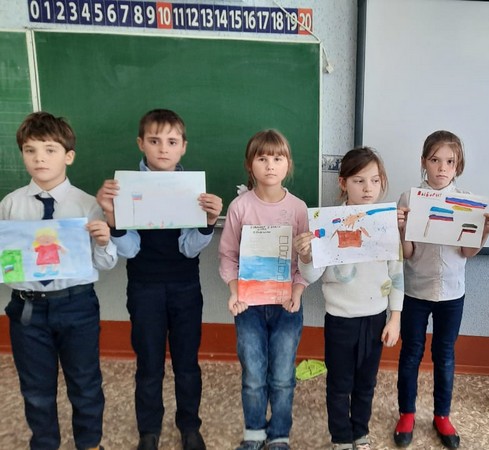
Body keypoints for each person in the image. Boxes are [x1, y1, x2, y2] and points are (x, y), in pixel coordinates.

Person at [96, 109, 222, 450]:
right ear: (141, 144)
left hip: (185, 287)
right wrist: (112, 218)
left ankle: (189, 426)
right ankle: (148, 431)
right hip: (144, 288)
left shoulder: (192, 190)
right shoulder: (125, 188)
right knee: (149, 364)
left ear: (183, 147)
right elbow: (130, 249)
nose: (163, 149)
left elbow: (189, 249)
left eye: (171, 142)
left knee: (187, 364)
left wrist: (208, 223)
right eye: (154, 141)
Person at [1, 111, 118, 450]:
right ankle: (44, 443)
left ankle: (89, 443)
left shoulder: (88, 205)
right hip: (27, 309)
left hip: (76, 304)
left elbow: (106, 262)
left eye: (50, 149)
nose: (39, 158)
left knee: (85, 383)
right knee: (36, 388)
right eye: (30, 150)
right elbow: (8, 265)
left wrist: (103, 241)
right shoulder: (9, 206)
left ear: (68, 156)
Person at [394, 130, 489, 449]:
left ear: (458, 165)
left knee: (444, 355)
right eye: (435, 160)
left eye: (450, 162)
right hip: (415, 290)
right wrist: (401, 228)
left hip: (452, 292)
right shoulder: (409, 198)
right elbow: (408, 253)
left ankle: (442, 415)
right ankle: (407, 413)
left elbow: (467, 252)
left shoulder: (467, 202)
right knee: (411, 353)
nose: (442, 168)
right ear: (424, 162)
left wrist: (484, 233)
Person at [295, 147, 405, 450]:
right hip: (340, 319)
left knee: (366, 383)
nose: (368, 188)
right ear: (343, 183)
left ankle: (360, 433)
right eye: (359, 181)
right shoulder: (327, 223)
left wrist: (395, 317)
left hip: (375, 318)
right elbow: (312, 276)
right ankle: (341, 438)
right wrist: (306, 256)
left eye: (375, 180)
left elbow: (397, 273)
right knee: (339, 384)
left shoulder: (385, 224)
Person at [218, 129, 309, 450]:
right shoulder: (240, 207)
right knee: (254, 375)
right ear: (250, 164)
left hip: (287, 306)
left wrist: (297, 292)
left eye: (278, 158)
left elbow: (305, 261)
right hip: (249, 307)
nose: (270, 165)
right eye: (262, 158)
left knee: (283, 376)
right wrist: (234, 291)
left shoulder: (298, 209)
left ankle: (280, 434)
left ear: (288, 165)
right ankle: (254, 432)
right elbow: (228, 255)